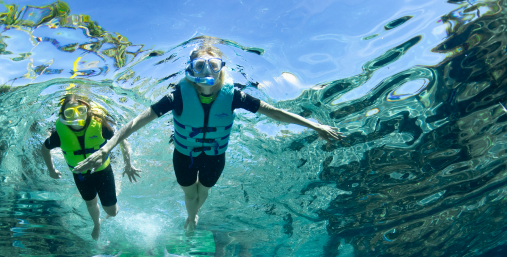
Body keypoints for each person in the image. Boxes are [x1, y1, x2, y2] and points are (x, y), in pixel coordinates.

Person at [72, 41, 345, 232]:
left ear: (221, 68)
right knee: (190, 195)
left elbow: (273, 112)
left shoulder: (234, 95)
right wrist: (108, 147)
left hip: (216, 156)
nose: (207, 73)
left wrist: (314, 125)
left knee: (205, 191)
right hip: (184, 156)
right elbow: (136, 122)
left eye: (213, 66)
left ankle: (194, 214)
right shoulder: (177, 96)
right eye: (200, 66)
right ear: (190, 70)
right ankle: (191, 217)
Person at [40, 95, 140, 240]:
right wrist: (51, 169)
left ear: (87, 110)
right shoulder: (59, 135)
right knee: (91, 203)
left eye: (80, 111)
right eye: (69, 113)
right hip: (80, 175)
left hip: (103, 171)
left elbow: (121, 139)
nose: (76, 117)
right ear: (63, 116)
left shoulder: (99, 125)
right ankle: (96, 223)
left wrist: (128, 163)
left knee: (112, 212)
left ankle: (114, 192)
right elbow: (44, 149)